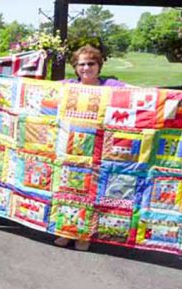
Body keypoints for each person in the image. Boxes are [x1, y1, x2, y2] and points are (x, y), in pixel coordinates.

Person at [54, 44, 126, 252]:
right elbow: (39, 90)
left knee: (92, 194)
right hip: (72, 148)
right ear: (75, 67)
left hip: (100, 149)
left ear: (99, 65)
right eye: (81, 64)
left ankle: (84, 235)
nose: (86, 68)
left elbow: (138, 95)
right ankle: (66, 231)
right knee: (69, 191)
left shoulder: (110, 85)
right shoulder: (68, 85)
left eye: (91, 63)